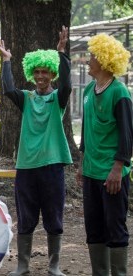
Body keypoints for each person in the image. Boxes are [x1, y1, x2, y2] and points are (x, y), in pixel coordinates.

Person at [0, 26, 72, 276]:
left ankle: (54, 266)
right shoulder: (27, 98)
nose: (40, 76)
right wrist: (6, 61)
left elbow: (68, 86)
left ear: (52, 74)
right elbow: (8, 89)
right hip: (27, 166)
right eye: (36, 72)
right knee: (26, 217)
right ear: (32, 73)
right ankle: (22, 265)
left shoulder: (57, 100)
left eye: (45, 72)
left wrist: (62, 54)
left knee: (53, 217)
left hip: (52, 166)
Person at [76, 33, 131, 276]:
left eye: (91, 57)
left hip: (112, 173)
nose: (88, 61)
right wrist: (81, 163)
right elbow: (86, 131)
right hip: (90, 171)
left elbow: (128, 135)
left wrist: (118, 168)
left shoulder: (120, 93)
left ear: (105, 60)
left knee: (115, 228)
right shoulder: (88, 90)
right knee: (94, 228)